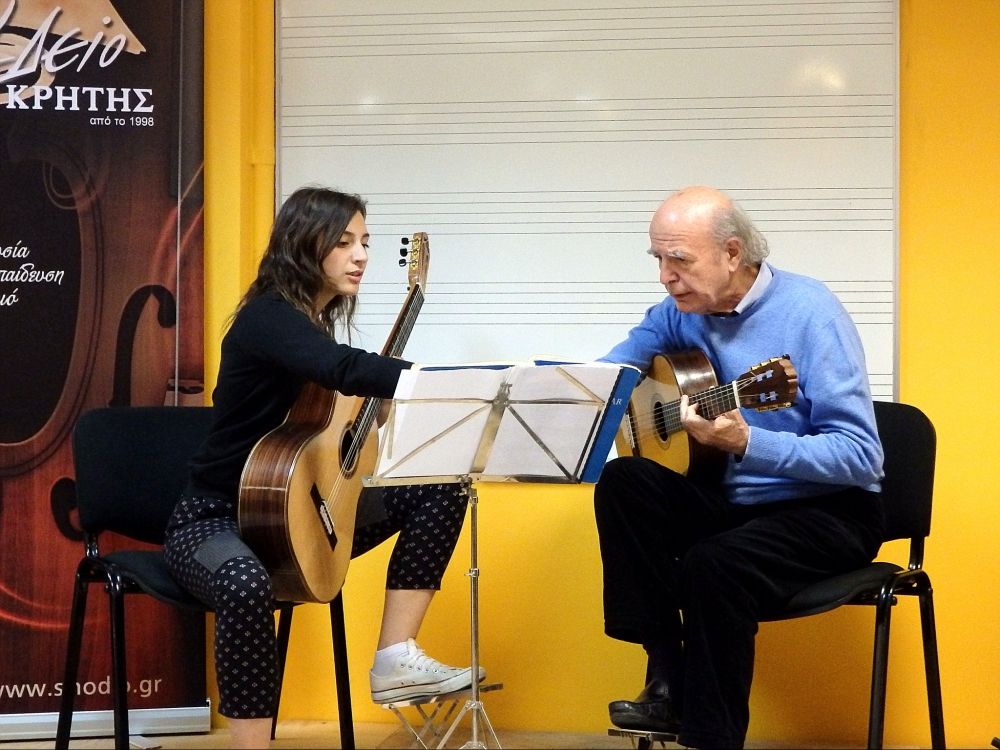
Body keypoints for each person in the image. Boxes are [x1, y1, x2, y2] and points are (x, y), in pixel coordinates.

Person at [163, 186, 483, 749]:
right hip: (213, 520)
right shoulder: (267, 317)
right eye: (344, 242)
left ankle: (395, 656)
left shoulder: (311, 328)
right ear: (303, 244)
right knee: (244, 584)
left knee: (442, 488)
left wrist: (375, 415)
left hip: (298, 517)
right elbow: (343, 368)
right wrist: (444, 382)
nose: (361, 256)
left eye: (366, 242)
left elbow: (324, 417)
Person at [594, 186, 884, 749]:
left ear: (732, 253)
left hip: (828, 511)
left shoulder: (811, 313)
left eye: (680, 260)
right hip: (733, 506)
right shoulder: (680, 314)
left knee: (713, 564)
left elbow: (860, 455)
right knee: (625, 481)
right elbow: (612, 374)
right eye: (658, 259)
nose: (665, 277)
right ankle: (666, 678)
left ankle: (710, 738)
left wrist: (749, 442)